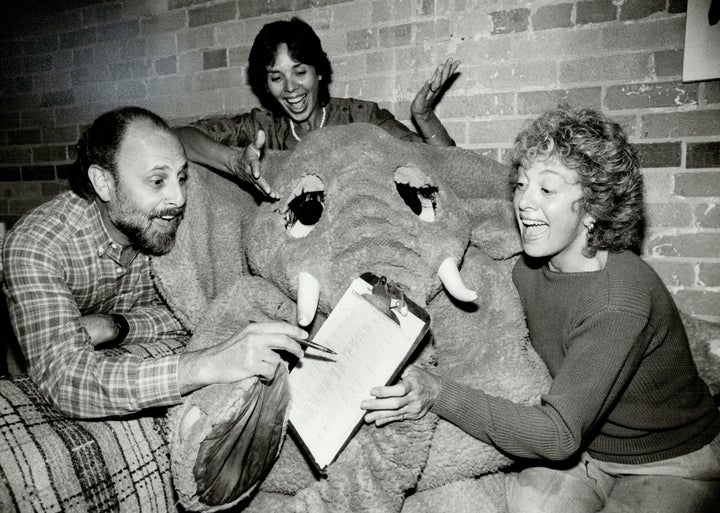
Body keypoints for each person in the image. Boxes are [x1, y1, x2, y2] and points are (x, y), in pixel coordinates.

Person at [361, 105, 720, 512]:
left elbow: (556, 436)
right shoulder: (528, 262)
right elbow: (442, 225)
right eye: (520, 185)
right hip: (587, 452)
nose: (524, 204)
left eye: (547, 191)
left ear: (593, 208)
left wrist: (437, 392)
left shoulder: (617, 298)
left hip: (669, 461)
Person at [2, 106, 307, 419]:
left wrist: (116, 326)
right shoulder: (37, 244)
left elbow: (197, 306)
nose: (179, 198)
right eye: (157, 181)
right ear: (104, 183)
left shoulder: (166, 221)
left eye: (181, 177)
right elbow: (66, 379)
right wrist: (206, 365)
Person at [175, 16, 459, 200]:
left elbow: (445, 167)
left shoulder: (360, 116)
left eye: (300, 72)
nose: (290, 88)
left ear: (319, 72)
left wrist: (424, 116)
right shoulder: (261, 127)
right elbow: (176, 138)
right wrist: (234, 162)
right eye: (277, 77)